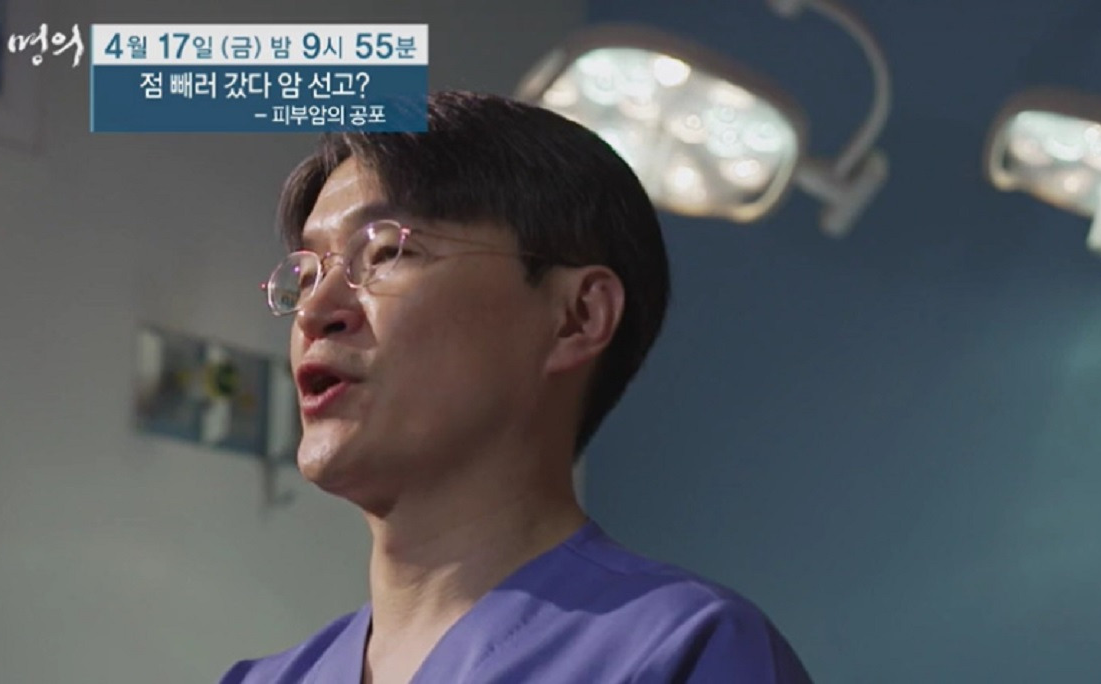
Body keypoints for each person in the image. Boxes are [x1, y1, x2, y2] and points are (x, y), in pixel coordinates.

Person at [221, 90, 813, 683]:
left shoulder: (684, 651)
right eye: (306, 274)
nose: (314, 311)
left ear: (576, 318)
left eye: (383, 252)